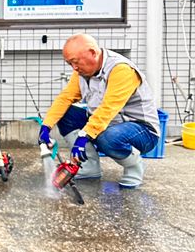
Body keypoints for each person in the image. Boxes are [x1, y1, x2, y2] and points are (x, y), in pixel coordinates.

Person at [38, 32, 160, 189]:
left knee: (107, 137)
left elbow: (107, 109)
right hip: (105, 124)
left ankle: (134, 167)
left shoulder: (121, 70)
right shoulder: (81, 72)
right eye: (70, 64)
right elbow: (65, 98)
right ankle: (89, 166)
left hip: (141, 130)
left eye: (75, 62)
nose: (74, 68)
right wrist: (46, 126)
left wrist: (83, 136)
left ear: (93, 53)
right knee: (66, 115)